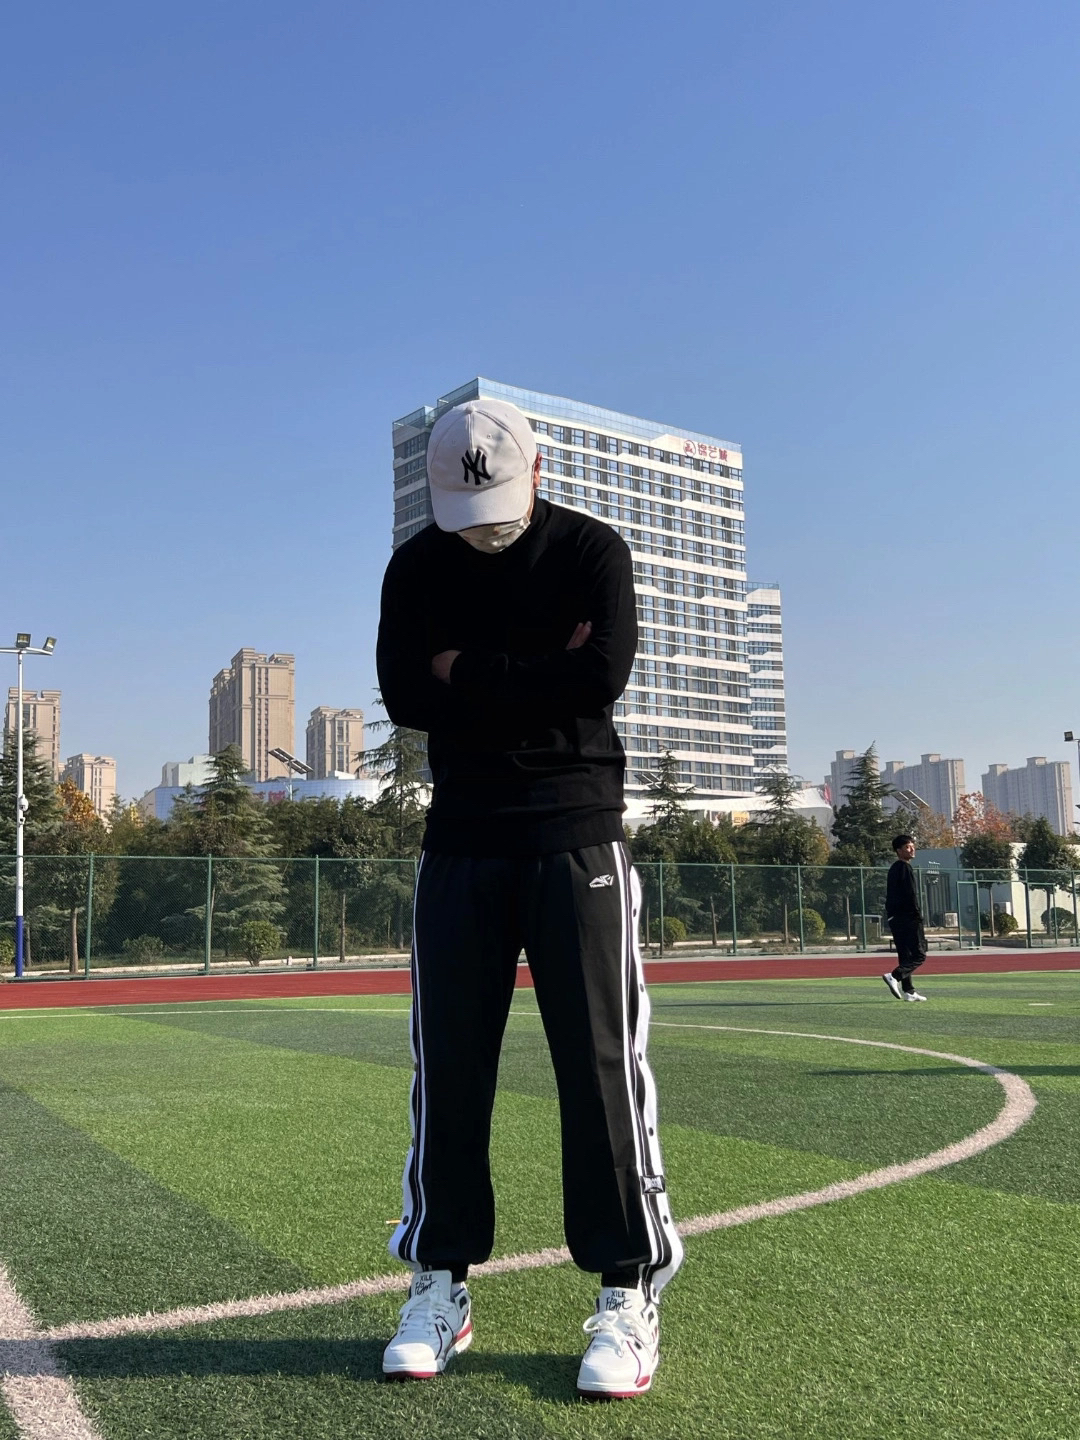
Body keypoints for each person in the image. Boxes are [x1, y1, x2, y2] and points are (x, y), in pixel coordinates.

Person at [375, 396, 682, 1398]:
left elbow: (601, 677)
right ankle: (440, 1280)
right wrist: (539, 673)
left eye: (500, 508)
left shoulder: (592, 551)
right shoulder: (418, 566)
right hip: (461, 836)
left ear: (537, 472)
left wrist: (467, 669)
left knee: (598, 1065)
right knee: (450, 1067)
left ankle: (627, 1288)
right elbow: (406, 695)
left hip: (575, 830)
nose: (486, 532)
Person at [882, 834, 928, 1001]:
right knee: (919, 955)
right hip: (908, 918)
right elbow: (910, 894)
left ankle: (909, 991)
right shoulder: (904, 868)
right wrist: (917, 915)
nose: (912, 849)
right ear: (899, 851)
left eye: (913, 846)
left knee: (905, 955)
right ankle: (894, 976)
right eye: (908, 847)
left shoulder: (894, 868)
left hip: (895, 918)